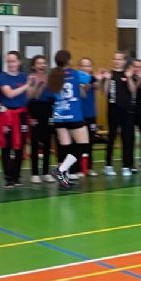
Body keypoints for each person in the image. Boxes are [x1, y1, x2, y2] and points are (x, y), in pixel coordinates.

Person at [37, 50, 92, 187]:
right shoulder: (75, 73)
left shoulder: (52, 75)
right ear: (69, 61)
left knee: (65, 147)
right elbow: (89, 80)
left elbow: (46, 96)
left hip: (59, 117)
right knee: (83, 145)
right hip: (74, 115)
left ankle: (64, 178)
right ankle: (61, 170)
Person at [102, 51, 141, 175]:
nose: (117, 61)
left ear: (124, 61)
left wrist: (129, 77)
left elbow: (133, 90)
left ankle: (126, 166)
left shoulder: (128, 74)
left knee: (127, 138)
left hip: (127, 111)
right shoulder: (110, 74)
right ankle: (108, 165)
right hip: (113, 110)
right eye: (115, 59)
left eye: (119, 59)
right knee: (112, 137)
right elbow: (104, 93)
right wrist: (107, 80)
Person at [0, 51, 31, 187]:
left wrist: (34, 85)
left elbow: (29, 95)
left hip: (21, 114)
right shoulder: (2, 76)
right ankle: (8, 178)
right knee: (6, 145)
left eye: (13, 61)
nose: (11, 64)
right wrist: (26, 86)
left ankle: (16, 176)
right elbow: (9, 94)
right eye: (9, 61)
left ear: (19, 62)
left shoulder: (25, 76)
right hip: (7, 115)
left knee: (20, 146)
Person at [25, 54, 53, 182]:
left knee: (47, 142)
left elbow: (53, 96)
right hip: (35, 109)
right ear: (34, 66)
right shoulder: (31, 78)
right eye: (39, 63)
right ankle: (35, 173)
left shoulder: (49, 78)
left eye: (43, 63)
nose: (42, 65)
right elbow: (30, 97)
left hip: (47, 109)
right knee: (35, 142)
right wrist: (39, 85)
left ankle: (46, 172)